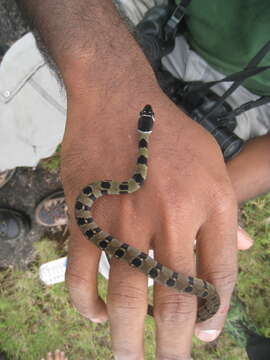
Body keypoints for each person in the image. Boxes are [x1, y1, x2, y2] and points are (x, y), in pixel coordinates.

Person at [0, 0, 269, 359]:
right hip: (144, 20)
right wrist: (108, 82)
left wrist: (207, 198)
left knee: (129, 211)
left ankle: (94, 211)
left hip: (254, 107)